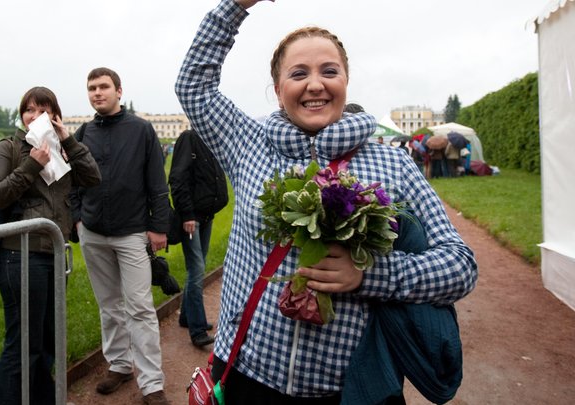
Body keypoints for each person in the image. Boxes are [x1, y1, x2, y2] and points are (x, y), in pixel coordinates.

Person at [175, 0, 478, 403]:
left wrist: (370, 275)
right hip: (247, 374)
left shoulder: (392, 162)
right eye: (298, 73)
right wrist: (234, 6)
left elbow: (460, 265)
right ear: (278, 88)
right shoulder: (248, 143)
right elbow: (193, 86)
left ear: (346, 81)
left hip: (350, 389)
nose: (315, 84)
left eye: (329, 71)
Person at [0, 86, 101, 405]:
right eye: (29, 110)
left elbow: (92, 177)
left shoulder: (61, 148)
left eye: (43, 110)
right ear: (21, 115)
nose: (35, 116)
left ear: (54, 115)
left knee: (47, 341)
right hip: (20, 256)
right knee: (22, 345)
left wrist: (69, 140)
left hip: (53, 256)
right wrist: (31, 165)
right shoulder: (9, 148)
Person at [70, 67, 172, 405]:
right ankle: (119, 364)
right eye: (91, 88)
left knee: (140, 307)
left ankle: (152, 383)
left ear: (118, 90)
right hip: (94, 232)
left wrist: (159, 226)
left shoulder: (141, 130)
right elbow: (71, 182)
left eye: (103, 87)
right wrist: (76, 220)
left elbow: (157, 181)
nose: (97, 93)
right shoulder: (84, 132)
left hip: (132, 233)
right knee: (108, 305)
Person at [168, 129, 229, 347]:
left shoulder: (211, 140)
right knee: (197, 269)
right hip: (192, 218)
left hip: (206, 215)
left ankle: (187, 317)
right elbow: (177, 179)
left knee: (197, 267)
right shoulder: (189, 138)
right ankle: (197, 329)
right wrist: (187, 214)